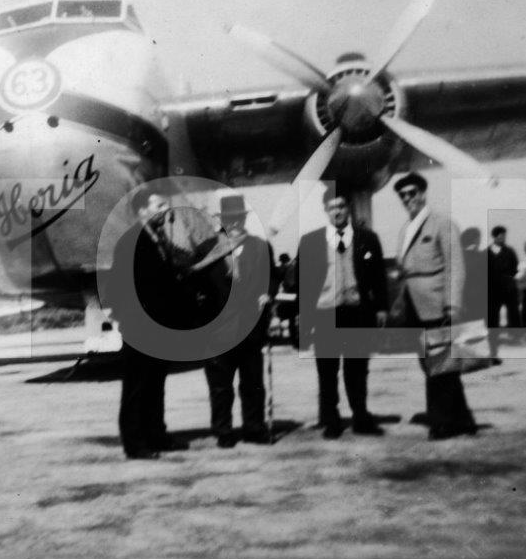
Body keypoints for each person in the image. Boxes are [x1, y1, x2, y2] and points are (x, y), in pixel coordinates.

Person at [107, 187, 195, 459]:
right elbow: (120, 287)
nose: (165, 210)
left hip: (158, 327)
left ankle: (156, 435)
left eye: (165, 205)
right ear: (142, 211)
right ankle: (134, 444)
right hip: (140, 328)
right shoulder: (131, 242)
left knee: (155, 383)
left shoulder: (157, 239)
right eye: (159, 206)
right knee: (137, 386)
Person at [391, 172, 477, 441]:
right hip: (414, 307)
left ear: (423, 194)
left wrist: (452, 304)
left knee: (440, 363)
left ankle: (442, 422)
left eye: (412, 193)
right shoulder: (406, 229)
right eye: (403, 195)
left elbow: (455, 265)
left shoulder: (442, 223)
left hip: (437, 305)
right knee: (435, 364)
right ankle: (462, 419)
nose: (408, 199)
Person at [297, 187, 389, 439]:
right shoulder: (310, 241)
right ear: (325, 210)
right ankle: (331, 420)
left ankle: (361, 416)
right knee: (327, 371)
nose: (337, 211)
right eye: (332, 207)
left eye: (341, 206)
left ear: (349, 208)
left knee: (357, 368)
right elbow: (303, 283)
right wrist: (304, 317)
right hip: (325, 314)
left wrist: (382, 307)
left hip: (358, 312)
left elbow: (379, 276)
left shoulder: (368, 238)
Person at [202, 194, 279, 448]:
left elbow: (272, 277)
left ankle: (254, 428)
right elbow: (197, 287)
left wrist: (268, 293)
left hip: (251, 328)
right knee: (220, 387)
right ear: (222, 221)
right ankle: (223, 431)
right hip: (217, 331)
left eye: (238, 218)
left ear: (244, 219)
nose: (234, 223)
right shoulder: (208, 248)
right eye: (229, 219)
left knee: (253, 384)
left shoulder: (260, 246)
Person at [486, 225, 521, 362]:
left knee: (513, 311)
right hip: (493, 290)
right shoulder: (487, 252)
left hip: (508, 288)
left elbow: (515, 268)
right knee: (493, 316)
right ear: (495, 237)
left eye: (504, 236)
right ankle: (494, 341)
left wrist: (508, 279)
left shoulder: (510, 251)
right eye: (501, 236)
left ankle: (514, 336)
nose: (503, 238)